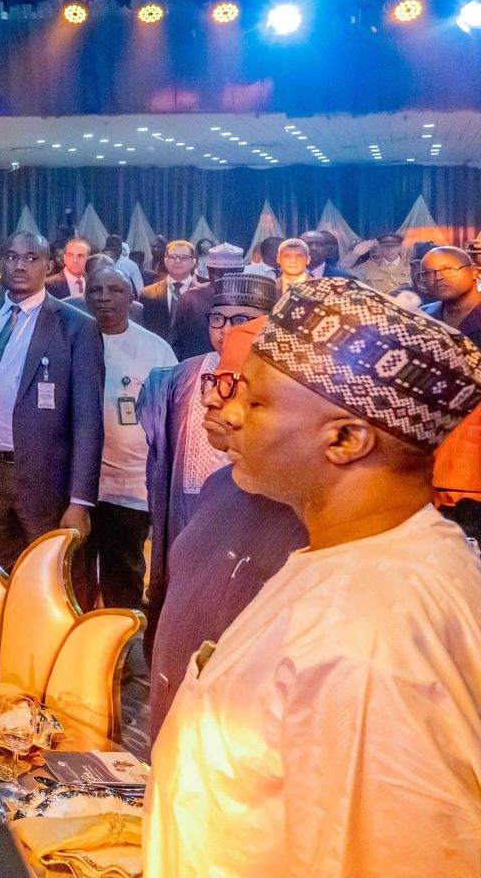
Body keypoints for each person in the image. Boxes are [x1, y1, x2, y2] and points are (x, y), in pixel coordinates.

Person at [145, 278, 481, 876]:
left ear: (347, 439)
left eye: (257, 402)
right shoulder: (349, 560)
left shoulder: (372, 635)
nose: (230, 415)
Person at [146, 318, 307, 737]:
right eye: (213, 381)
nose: (211, 400)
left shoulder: (311, 525)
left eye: (232, 384)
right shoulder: (220, 485)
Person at [0, 231, 105, 574]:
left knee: (50, 581)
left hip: (47, 482)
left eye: (31, 258)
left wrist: (81, 501)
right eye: (12, 257)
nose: (20, 265)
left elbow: (89, 422)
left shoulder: (76, 327)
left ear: (48, 265)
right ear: (1, 262)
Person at [139, 271, 277, 605]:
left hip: (253, 513)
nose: (226, 330)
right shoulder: (181, 376)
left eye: (241, 320)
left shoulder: (278, 383)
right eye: (218, 318)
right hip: (188, 510)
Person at [79, 267, 175, 613]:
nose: (105, 297)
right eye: (96, 290)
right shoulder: (71, 339)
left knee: (124, 578)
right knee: (76, 577)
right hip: (78, 489)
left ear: (132, 296)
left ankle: (123, 643)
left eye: (115, 290)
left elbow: (170, 414)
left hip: (131, 488)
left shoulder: (155, 350)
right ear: (85, 295)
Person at [421, 246, 481, 542]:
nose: (437, 277)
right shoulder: (423, 317)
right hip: (434, 441)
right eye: (429, 273)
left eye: (447, 269)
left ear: (474, 271)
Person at [168, 242, 243, 360]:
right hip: (196, 367)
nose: (224, 278)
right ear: (209, 271)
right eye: (218, 273)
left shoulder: (252, 302)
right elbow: (177, 343)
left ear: (241, 271)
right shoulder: (190, 299)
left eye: (231, 273)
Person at [140, 240, 203, 349]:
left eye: (183, 257)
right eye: (173, 257)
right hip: (157, 352)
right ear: (165, 260)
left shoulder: (204, 294)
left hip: (193, 354)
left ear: (193, 262)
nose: (177, 261)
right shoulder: (147, 294)